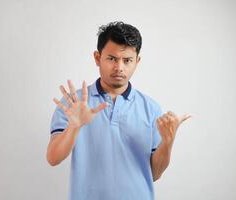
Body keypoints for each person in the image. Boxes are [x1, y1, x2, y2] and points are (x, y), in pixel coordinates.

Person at [46, 21, 191, 200]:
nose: (119, 67)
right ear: (97, 58)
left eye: (127, 60)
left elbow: (154, 174)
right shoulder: (74, 103)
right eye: (112, 58)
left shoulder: (151, 108)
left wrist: (168, 142)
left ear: (137, 61)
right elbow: (53, 158)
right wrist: (74, 126)